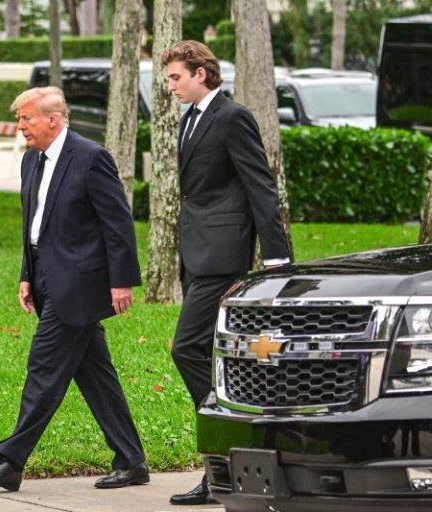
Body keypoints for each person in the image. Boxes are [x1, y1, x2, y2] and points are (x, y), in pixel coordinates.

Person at [0, 86, 148, 491]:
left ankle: (10, 462)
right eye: (19, 119)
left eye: (26, 119)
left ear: (53, 119)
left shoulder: (90, 158)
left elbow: (117, 225)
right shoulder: (31, 161)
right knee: (97, 377)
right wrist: (26, 274)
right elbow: (33, 226)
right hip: (48, 278)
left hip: (81, 284)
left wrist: (121, 281)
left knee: (44, 368)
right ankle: (132, 460)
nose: (20, 127)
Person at [162, 40, 291, 505]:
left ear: (202, 73)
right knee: (213, 354)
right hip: (196, 252)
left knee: (188, 348)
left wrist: (277, 257)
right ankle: (225, 466)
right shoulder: (189, 118)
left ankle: (223, 450)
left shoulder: (232, 116)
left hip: (222, 254)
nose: (170, 85)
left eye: (176, 76)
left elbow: (261, 184)